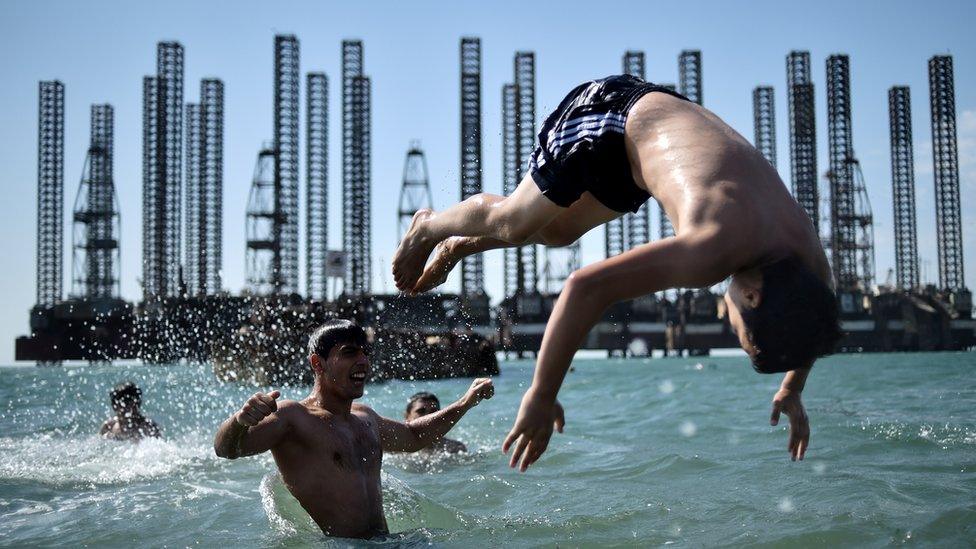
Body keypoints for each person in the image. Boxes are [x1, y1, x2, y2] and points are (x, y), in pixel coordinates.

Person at [391, 74, 842, 471]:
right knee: (516, 220)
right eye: (739, 330)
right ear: (754, 299)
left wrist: (793, 389)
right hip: (613, 114)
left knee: (557, 233)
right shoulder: (712, 251)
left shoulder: (806, 263)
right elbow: (586, 287)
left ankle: (460, 246)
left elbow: (813, 314)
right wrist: (541, 395)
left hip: (649, 138)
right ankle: (430, 226)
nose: (727, 321)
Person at [213, 319, 494, 539]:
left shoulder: (365, 417)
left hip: (388, 541)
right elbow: (226, 449)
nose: (363, 361)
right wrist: (240, 421)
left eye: (364, 353)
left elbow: (414, 436)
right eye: (349, 353)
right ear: (317, 363)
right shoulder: (293, 417)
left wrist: (465, 403)